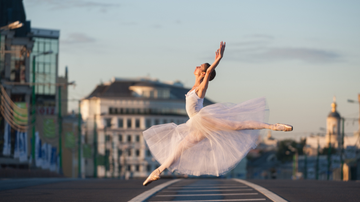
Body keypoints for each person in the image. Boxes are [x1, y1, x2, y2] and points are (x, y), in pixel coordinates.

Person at [142, 41, 292, 186]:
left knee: (238, 125)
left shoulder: (201, 88)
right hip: (197, 126)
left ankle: (273, 126)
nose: (195, 67)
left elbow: (208, 72)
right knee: (180, 148)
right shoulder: (193, 87)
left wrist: (218, 60)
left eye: (199, 67)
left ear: (202, 72)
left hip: (205, 119)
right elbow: (205, 73)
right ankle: (157, 172)